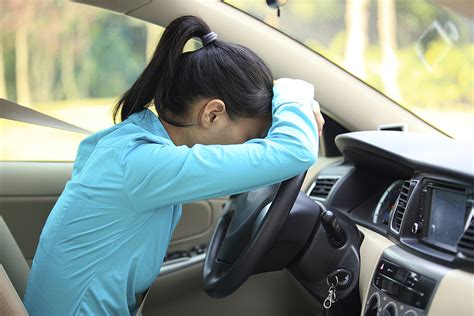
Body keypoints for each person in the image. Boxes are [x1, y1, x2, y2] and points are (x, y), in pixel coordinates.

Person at [23, 15, 324, 315]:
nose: (251, 150)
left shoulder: (129, 142)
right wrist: (292, 90)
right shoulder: (145, 164)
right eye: (252, 139)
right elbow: (295, 151)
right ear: (212, 114)